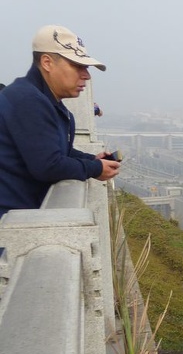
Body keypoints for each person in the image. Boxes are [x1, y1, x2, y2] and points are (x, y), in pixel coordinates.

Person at [0, 25, 120, 218]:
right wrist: (95, 168)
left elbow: (54, 147)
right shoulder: (28, 100)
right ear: (47, 63)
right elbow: (48, 166)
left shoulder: (44, 99)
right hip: (9, 230)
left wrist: (91, 159)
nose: (86, 76)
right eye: (77, 66)